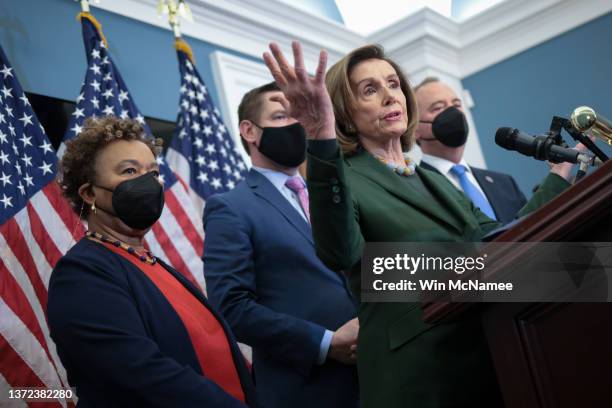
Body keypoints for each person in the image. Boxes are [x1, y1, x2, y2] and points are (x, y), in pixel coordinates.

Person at [262, 41, 585, 408]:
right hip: (419, 378)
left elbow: (501, 244)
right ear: (345, 114)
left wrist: (560, 175)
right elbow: (340, 252)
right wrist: (320, 139)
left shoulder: (432, 178)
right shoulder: (342, 178)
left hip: (486, 356)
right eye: (370, 90)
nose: (389, 96)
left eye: (393, 84)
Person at [47, 116, 257, 407]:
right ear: (89, 193)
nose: (148, 182)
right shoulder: (81, 273)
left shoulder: (153, 264)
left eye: (154, 172)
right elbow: (138, 372)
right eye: (130, 170)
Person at [203, 82, 359, 408]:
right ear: (249, 130)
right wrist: (326, 343)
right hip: (310, 389)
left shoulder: (335, 191)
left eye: (298, 117)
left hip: (379, 373)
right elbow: (231, 306)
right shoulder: (230, 207)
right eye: (280, 116)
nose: (294, 126)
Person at [414, 77, 527, 223]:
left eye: (456, 104)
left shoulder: (505, 183)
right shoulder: (417, 191)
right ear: (414, 128)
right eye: (438, 108)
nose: (453, 113)